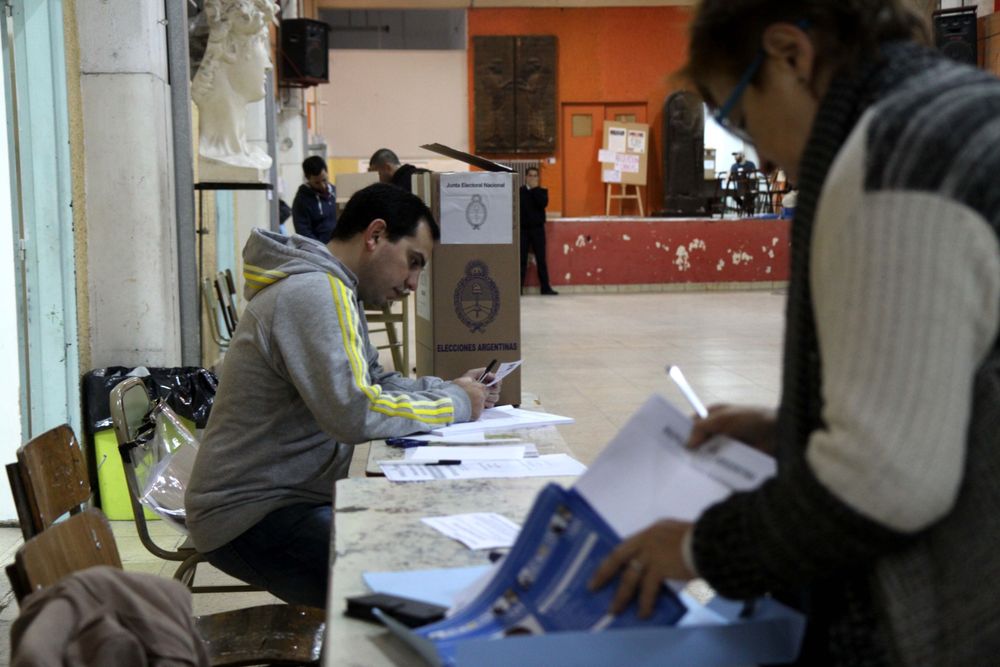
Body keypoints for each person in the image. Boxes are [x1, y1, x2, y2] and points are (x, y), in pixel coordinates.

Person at [590, 2, 1000, 666]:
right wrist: (792, 427)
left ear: (789, 54)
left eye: (742, 121)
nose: (759, 151)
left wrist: (697, 546)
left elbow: (886, 482)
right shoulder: (965, 107)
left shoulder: (888, 161)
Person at [185, 183, 501, 609]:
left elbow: (372, 382)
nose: (412, 283)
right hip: (253, 515)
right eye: (413, 262)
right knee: (403, 585)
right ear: (374, 236)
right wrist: (458, 405)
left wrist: (449, 390)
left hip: (286, 498)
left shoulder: (332, 288)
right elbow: (355, 413)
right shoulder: (314, 292)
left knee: (414, 550)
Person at [191, 0, 275, 170]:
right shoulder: (205, 154)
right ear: (230, 48)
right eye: (260, 43)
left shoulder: (255, 156)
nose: (269, 65)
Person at [519, 167, 557, 295]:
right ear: (526, 177)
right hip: (523, 230)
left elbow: (543, 204)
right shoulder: (520, 192)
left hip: (538, 230)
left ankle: (545, 288)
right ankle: (518, 289)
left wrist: (535, 189)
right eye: (530, 175)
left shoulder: (542, 191)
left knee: (541, 259)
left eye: (535, 176)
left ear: (538, 178)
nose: (533, 178)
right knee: (521, 260)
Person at [291, 155, 337, 243]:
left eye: (324, 180)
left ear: (327, 173)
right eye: (317, 183)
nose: (322, 186)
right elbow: (303, 232)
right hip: (319, 251)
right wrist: (321, 248)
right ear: (308, 178)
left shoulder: (337, 193)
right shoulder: (301, 200)